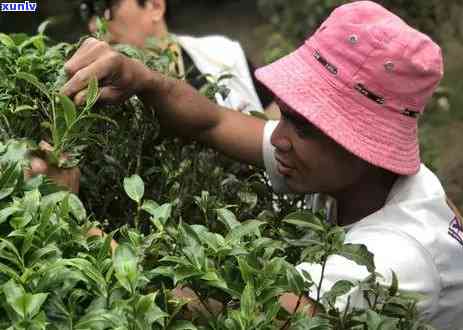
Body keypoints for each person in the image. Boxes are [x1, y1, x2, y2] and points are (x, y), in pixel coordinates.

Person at [34, 1, 463, 328]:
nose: (278, 137)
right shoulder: (347, 173)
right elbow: (213, 121)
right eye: (287, 114)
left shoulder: (393, 259)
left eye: (304, 126)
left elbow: (230, 311)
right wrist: (143, 77)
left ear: (368, 146)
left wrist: (68, 216)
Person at [78, 0, 275, 114]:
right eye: (87, 11)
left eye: (105, 7)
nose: (94, 26)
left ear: (155, 6)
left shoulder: (224, 54)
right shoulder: (100, 95)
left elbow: (273, 118)